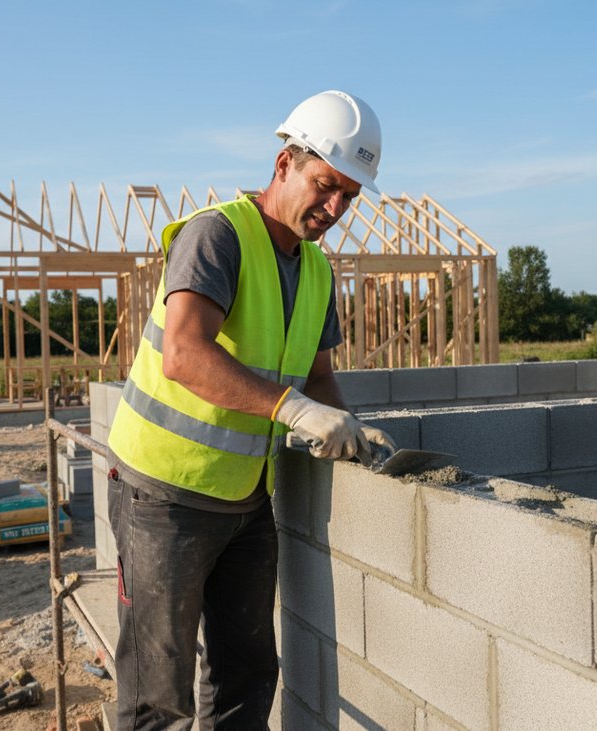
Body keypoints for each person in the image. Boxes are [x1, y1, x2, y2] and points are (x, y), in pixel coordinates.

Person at [105, 90, 397, 729]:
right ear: (284, 162)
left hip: (246, 500)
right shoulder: (219, 235)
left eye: (349, 195)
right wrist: (293, 410)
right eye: (326, 185)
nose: (335, 208)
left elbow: (318, 377)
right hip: (165, 497)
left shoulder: (316, 272)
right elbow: (183, 352)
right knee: (158, 695)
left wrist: (349, 428)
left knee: (246, 678)